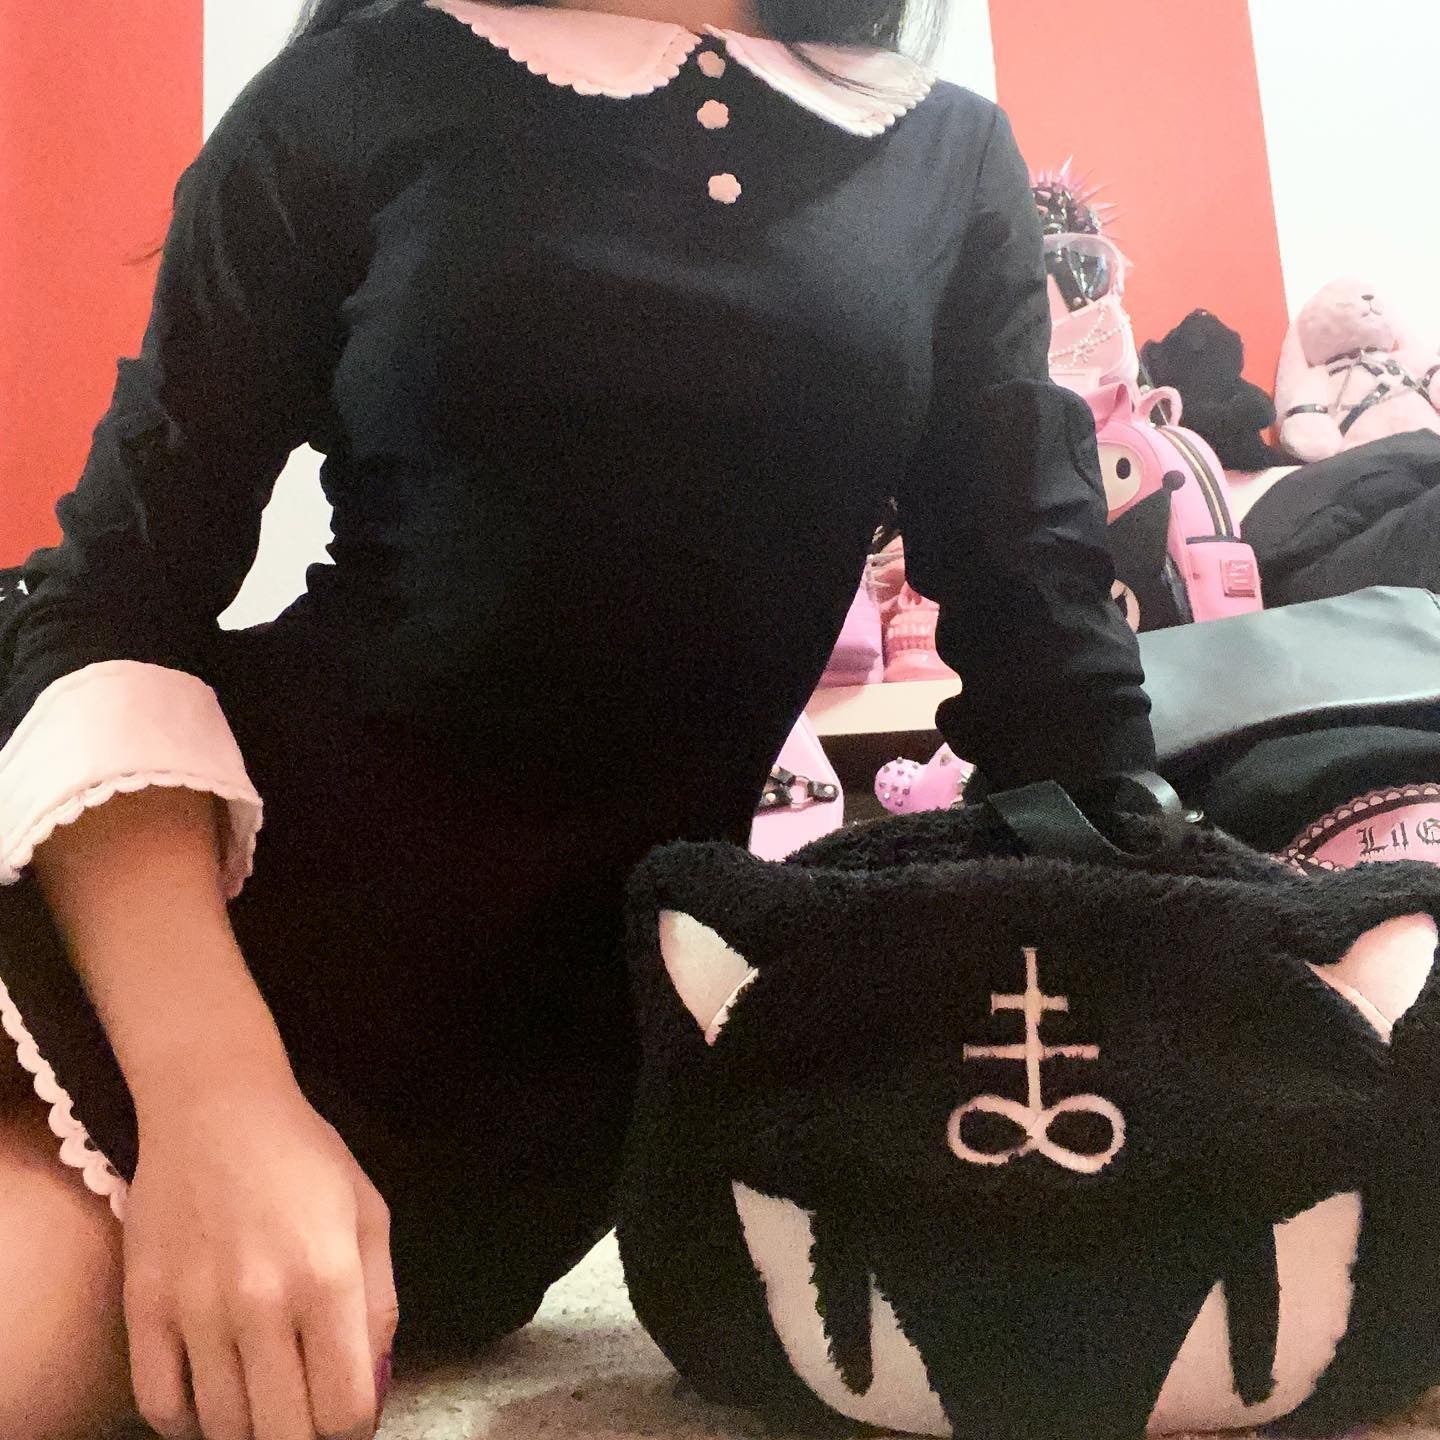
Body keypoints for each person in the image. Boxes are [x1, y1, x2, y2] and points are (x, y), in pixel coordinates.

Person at [0, 0, 1156, 1434]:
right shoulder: (359, 89)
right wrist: (214, 1098)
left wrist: (1208, 987)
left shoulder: (947, 152)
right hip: (174, 962)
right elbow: (103, 609)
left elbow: (1052, 662)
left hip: (541, 1087)